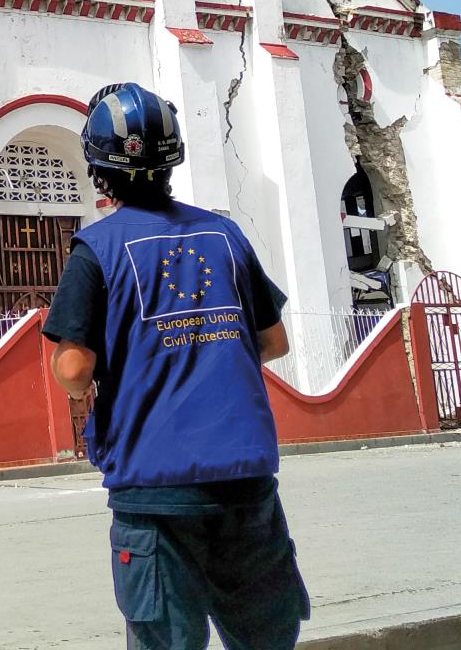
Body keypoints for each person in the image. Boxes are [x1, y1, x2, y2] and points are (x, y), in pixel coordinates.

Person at [43, 82, 310, 650]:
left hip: (154, 490)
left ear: (98, 170)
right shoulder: (226, 235)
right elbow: (273, 341)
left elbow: (74, 369)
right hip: (244, 481)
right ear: (173, 161)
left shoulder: (97, 249)